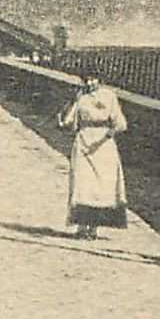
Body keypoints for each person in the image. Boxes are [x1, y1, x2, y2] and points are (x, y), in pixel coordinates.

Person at [57, 76, 129, 239]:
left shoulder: (109, 96)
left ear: (99, 80)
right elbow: (67, 122)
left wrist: (109, 133)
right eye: (86, 80)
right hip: (83, 142)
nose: (89, 83)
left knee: (101, 184)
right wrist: (72, 101)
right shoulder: (80, 97)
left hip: (103, 145)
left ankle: (94, 227)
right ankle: (81, 226)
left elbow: (120, 123)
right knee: (82, 183)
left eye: (93, 80)